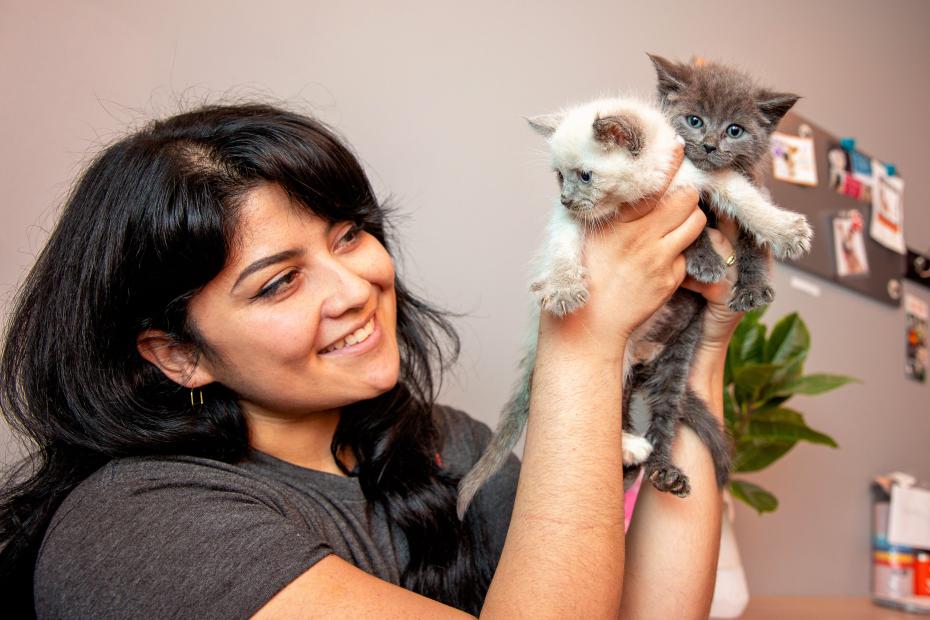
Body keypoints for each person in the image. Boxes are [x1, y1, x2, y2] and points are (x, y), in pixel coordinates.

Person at [0, 103, 743, 619]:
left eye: (350, 234)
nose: (359, 287)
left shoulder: (445, 445)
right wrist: (581, 332)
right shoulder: (138, 531)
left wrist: (701, 346)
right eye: (281, 282)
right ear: (179, 355)